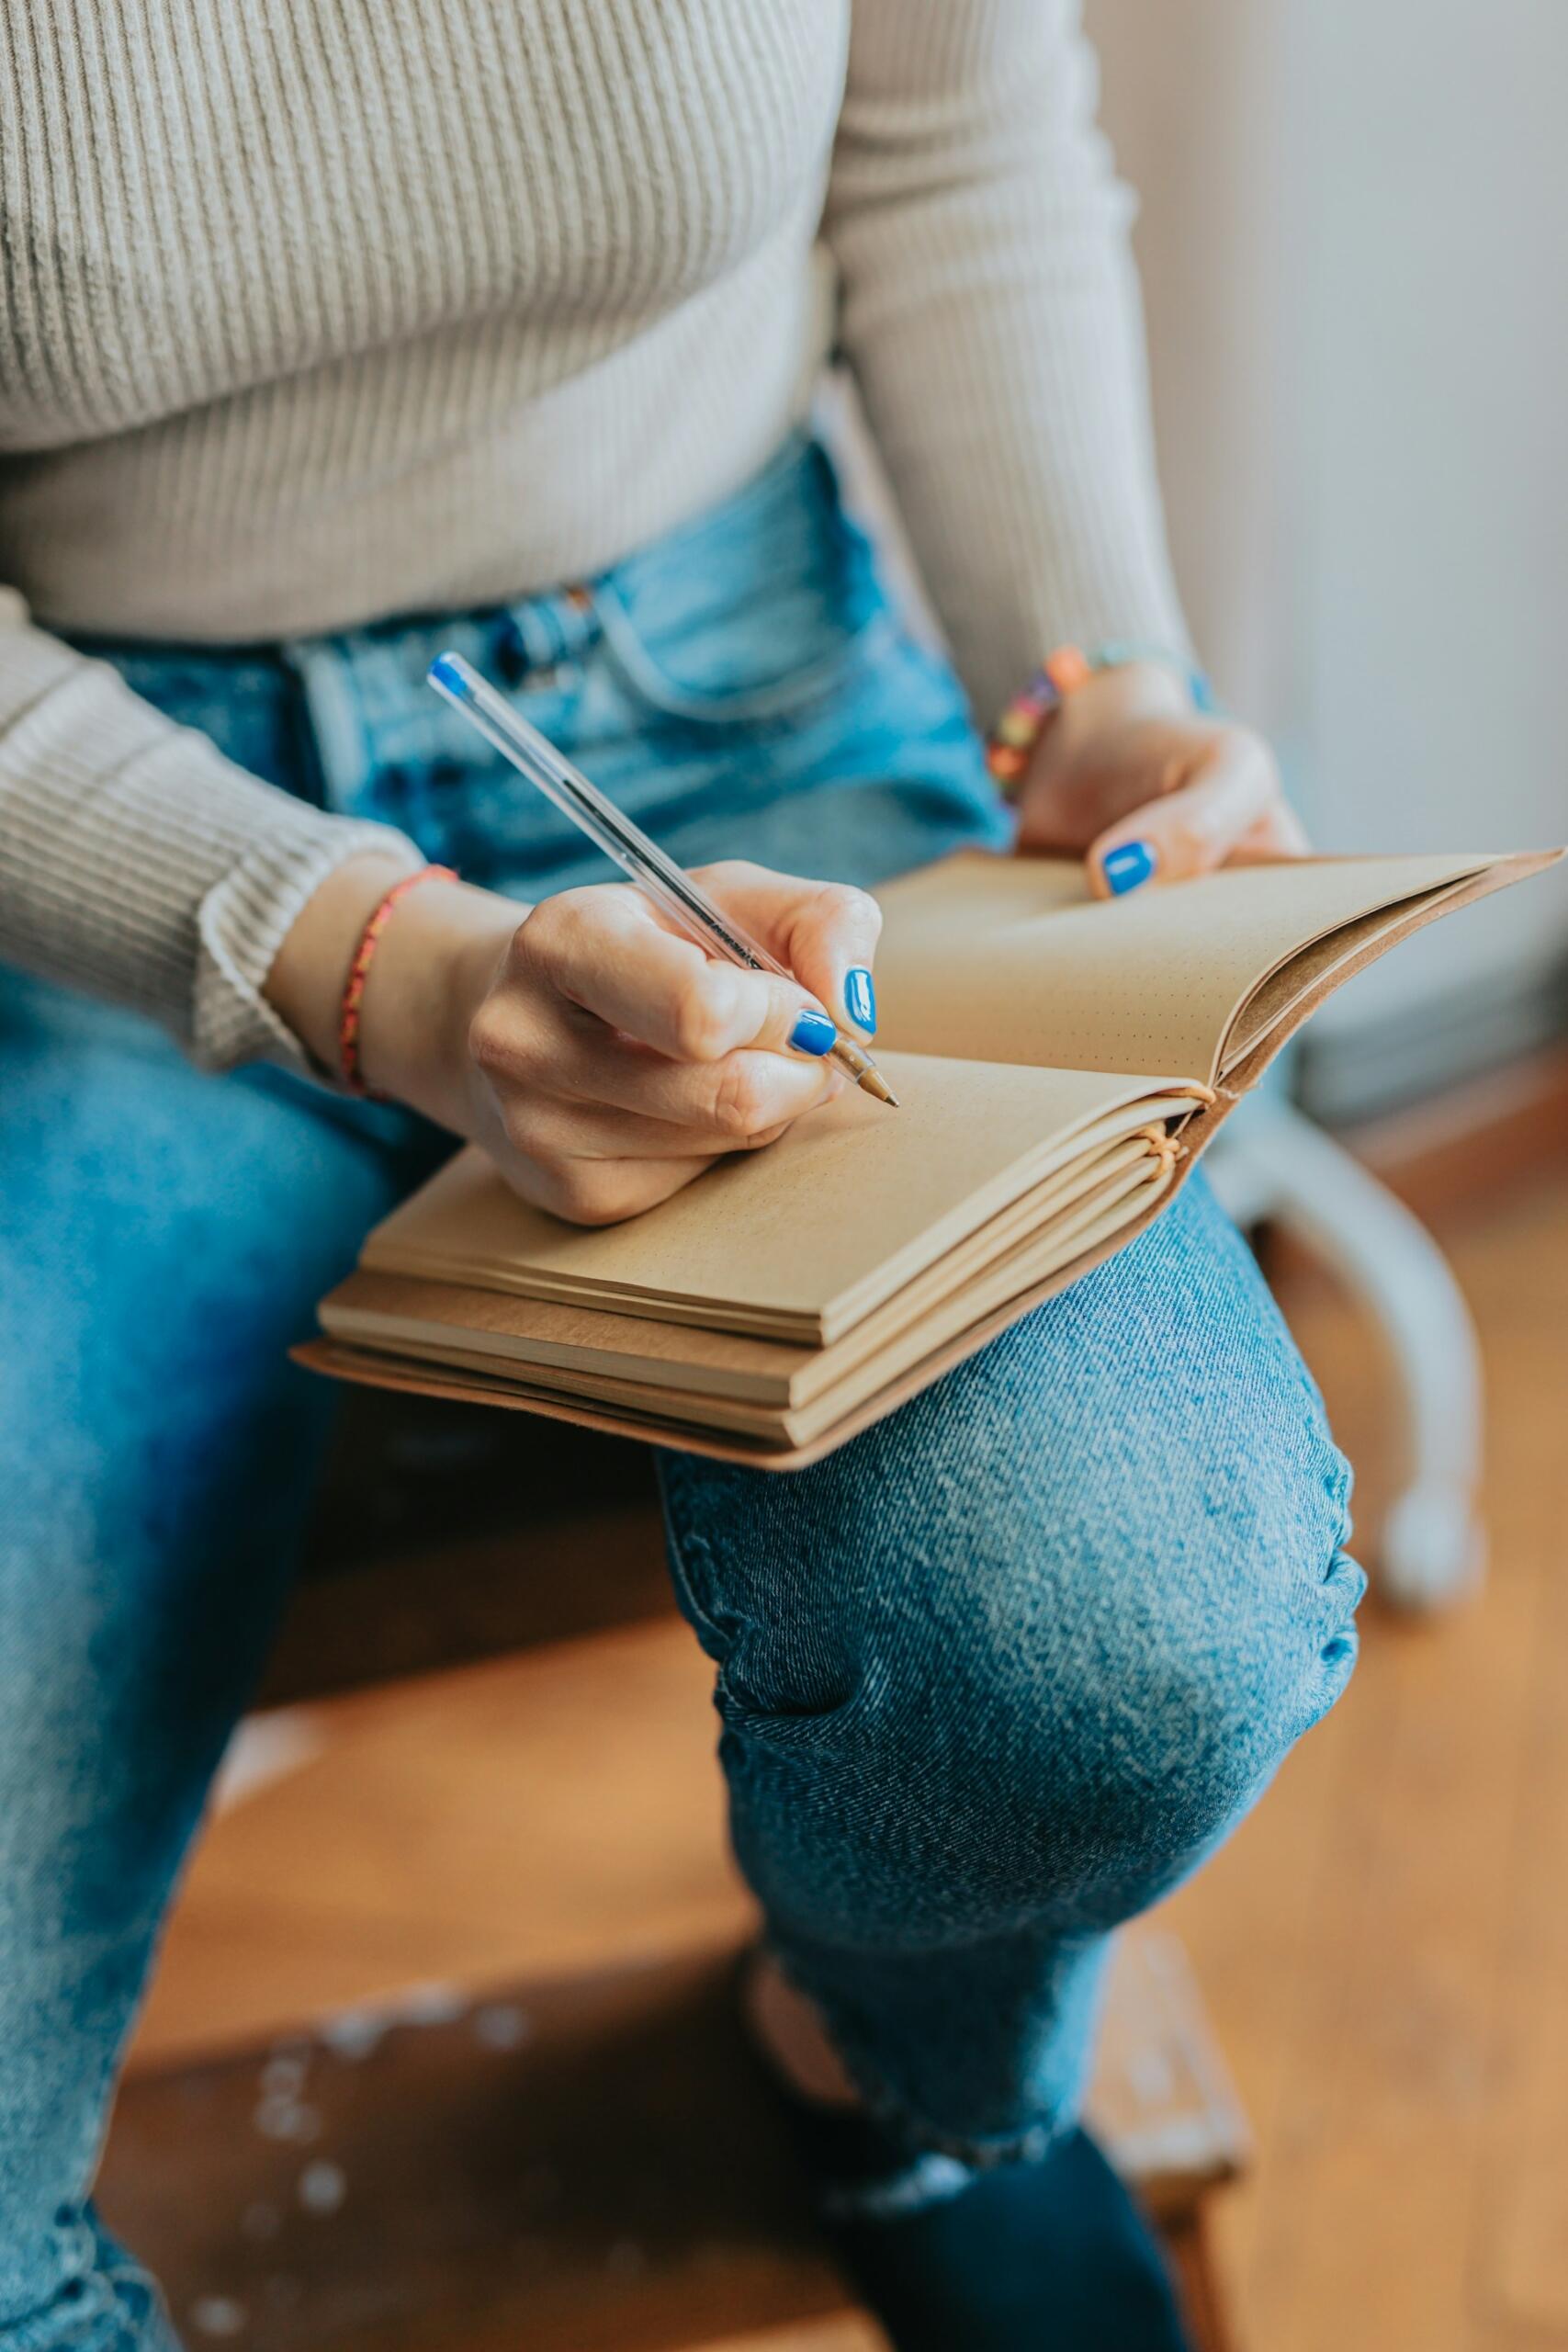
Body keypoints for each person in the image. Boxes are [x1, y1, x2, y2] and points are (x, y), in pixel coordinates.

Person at [0, 6, 1361, 2346]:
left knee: (1120, 1640)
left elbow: (950, 152)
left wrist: (1095, 687)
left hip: (743, 712)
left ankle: (874, 2060)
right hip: (89, 846)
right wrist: (378, 967)